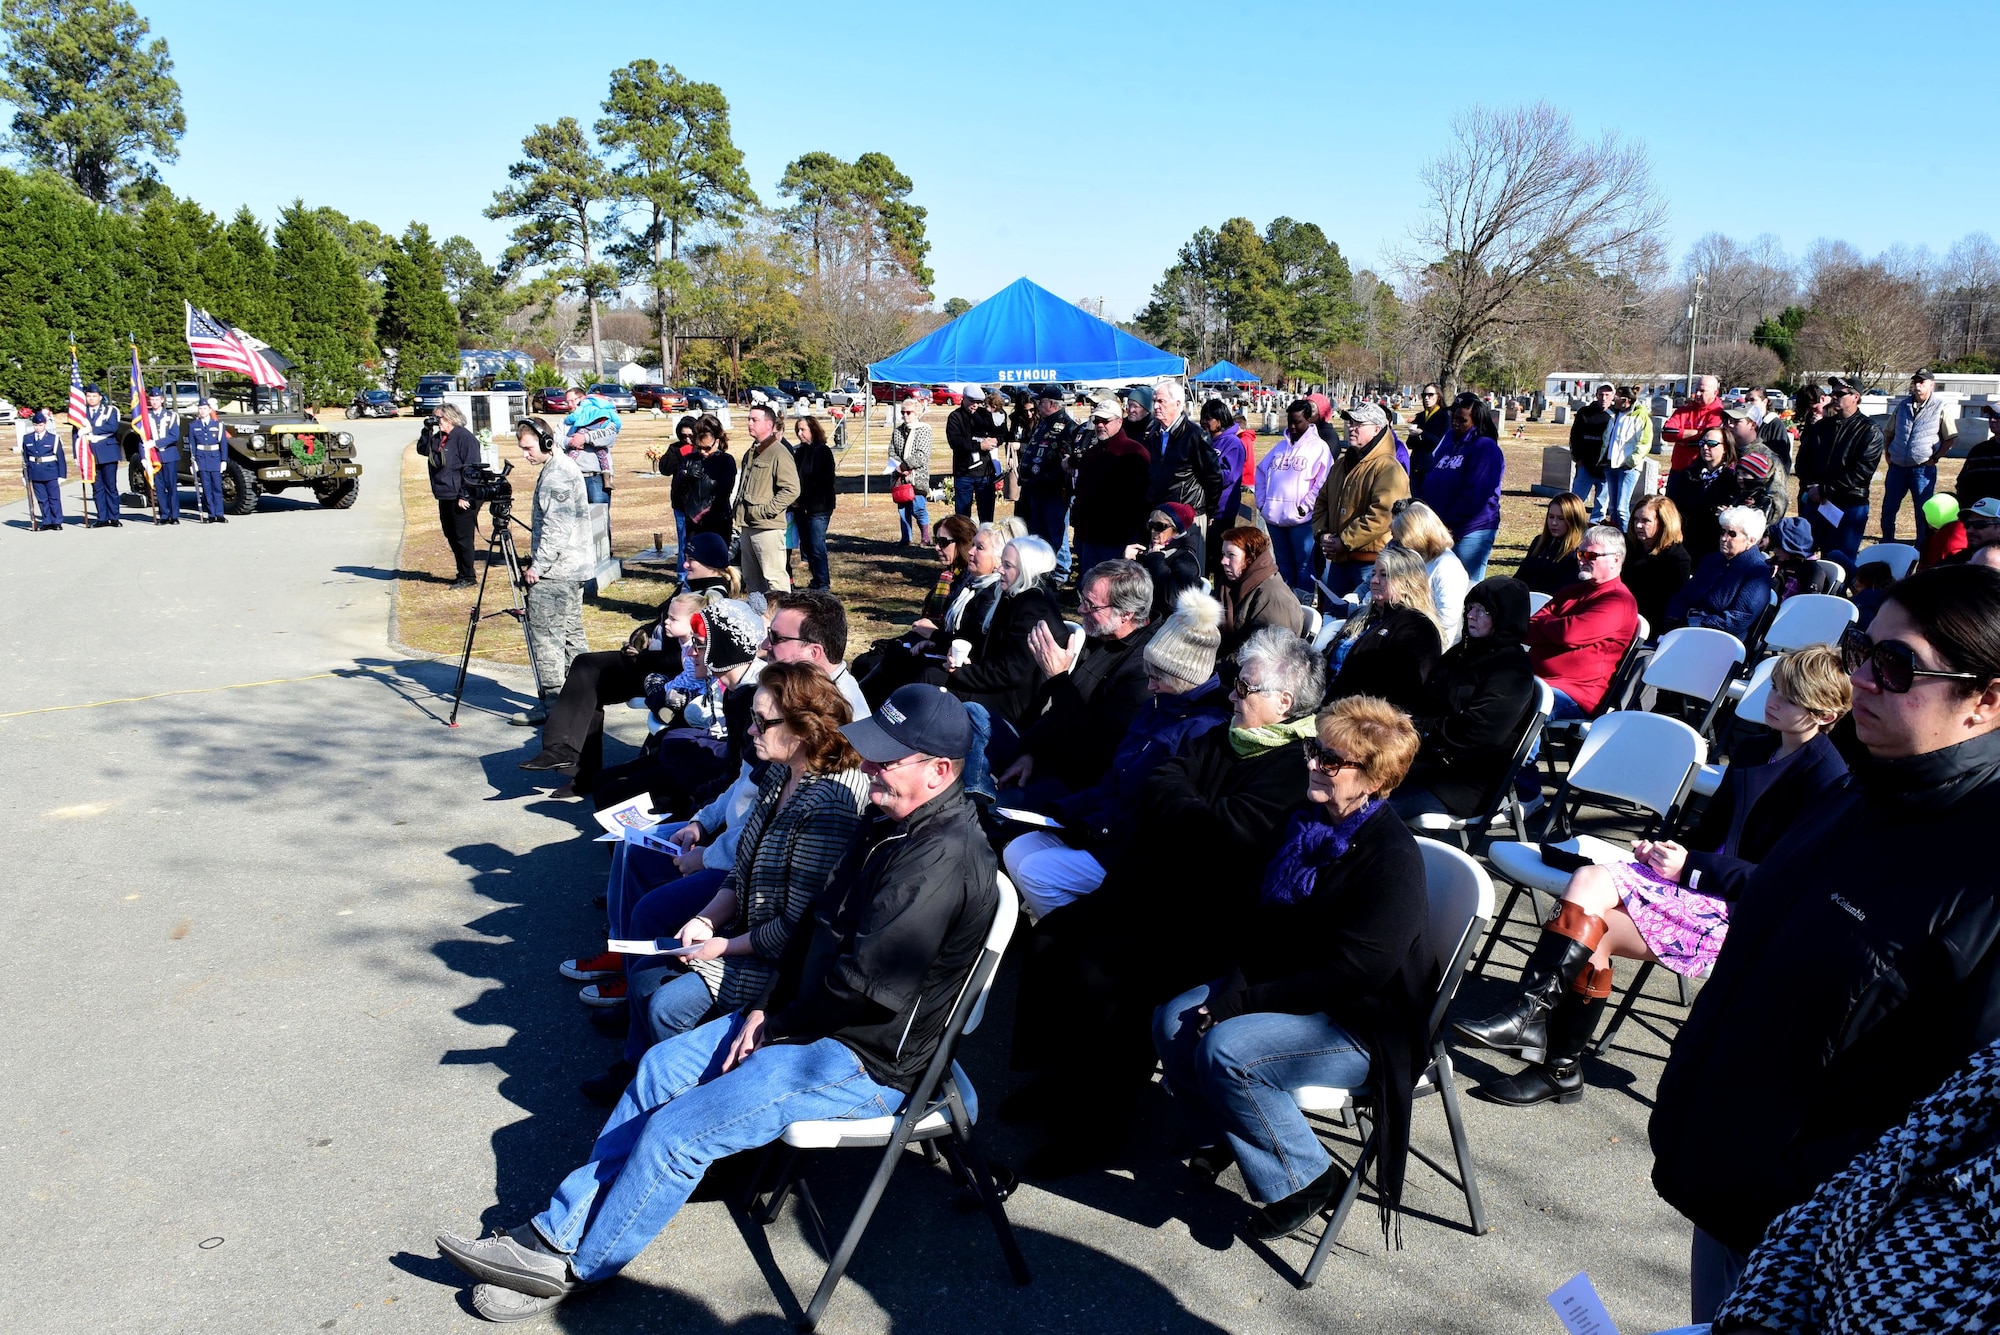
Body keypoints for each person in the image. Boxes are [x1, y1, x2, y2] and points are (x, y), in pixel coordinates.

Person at [436, 684, 997, 1323]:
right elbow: (817, 926)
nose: (869, 768)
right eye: (871, 756)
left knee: (678, 1135)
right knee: (657, 1070)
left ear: (940, 771)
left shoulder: (938, 860)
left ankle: (576, 1269)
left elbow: (863, 989)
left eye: (886, 761)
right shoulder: (888, 823)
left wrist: (775, 1022)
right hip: (809, 1021)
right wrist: (765, 1008)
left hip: (864, 1060)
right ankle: (555, 1234)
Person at [1651, 565, 2000, 1324]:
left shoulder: (1984, 872)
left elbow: (1956, 1116)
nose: (1861, 679)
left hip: (1816, 1237)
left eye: (1895, 665)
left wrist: (1796, 1195)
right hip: (1728, 1183)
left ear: (1987, 700)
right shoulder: (1857, 786)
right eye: (1859, 649)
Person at [1458, 645, 1851, 1109]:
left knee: (1590, 895)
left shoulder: (1828, 778)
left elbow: (1785, 879)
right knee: (1591, 908)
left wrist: (1693, 867)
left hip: (1739, 911)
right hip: (1691, 886)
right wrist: (1665, 850)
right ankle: (1551, 1055)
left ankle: (1534, 1027)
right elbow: (1709, 832)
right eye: (1775, 687)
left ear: (1824, 714)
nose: (1773, 699)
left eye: (1789, 697)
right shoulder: (1756, 746)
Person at [1007, 627, 1320, 1176]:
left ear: (1283, 703)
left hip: (1212, 917)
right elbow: (1163, 781)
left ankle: (1096, 1130)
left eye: (1243, 687)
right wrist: (1190, 806)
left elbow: (1226, 834)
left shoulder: (1294, 767)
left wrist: (1187, 807)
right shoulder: (1228, 734)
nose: (1230, 695)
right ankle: (1061, 1079)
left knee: (1111, 979)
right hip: (1153, 887)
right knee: (1052, 940)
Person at [1153, 695, 1431, 1239]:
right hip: (1291, 984)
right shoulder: (1305, 820)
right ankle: (1221, 1133)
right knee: (1171, 1020)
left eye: (1331, 761)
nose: (1311, 765)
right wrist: (1234, 984)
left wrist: (1243, 1002)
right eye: (1314, 750)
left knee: (1228, 1050)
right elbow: (1262, 920)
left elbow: (1356, 972)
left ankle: (1307, 1177)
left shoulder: (1389, 859)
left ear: (1371, 779)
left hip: (1362, 1022)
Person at [580, 661, 873, 1105]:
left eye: (761, 721)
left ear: (805, 728)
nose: (750, 731)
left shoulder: (828, 804)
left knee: (664, 1003)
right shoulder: (780, 772)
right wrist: (705, 918)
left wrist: (722, 946)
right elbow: (745, 867)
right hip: (751, 932)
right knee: (644, 973)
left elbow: (798, 928)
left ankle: (687, 1107)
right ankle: (645, 1080)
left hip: (783, 963)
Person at [1713, 1034, 2000, 1333]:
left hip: (1790, 1157)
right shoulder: (1990, 1070)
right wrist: (1760, 1314)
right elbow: (1850, 1185)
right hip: (1760, 1181)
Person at [1004, 589, 1229, 920]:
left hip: (1130, 847)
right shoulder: (1158, 705)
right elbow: (1115, 775)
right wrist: (1065, 812)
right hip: (1104, 824)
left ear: (1185, 677)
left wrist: (1097, 828)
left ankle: (1072, 941)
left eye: (1158, 677)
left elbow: (1154, 805)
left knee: (1037, 873)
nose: (1149, 685)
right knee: (1018, 849)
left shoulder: (1202, 728)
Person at [995, 558, 1158, 800]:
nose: (1081, 610)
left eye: (1091, 606)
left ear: (1126, 614)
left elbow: (1093, 747)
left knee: (993, 806)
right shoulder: (1102, 636)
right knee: (971, 714)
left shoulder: (1143, 667)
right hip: (1047, 756)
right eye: (1082, 600)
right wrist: (1029, 753)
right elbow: (1057, 715)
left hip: (1078, 786)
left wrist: (1057, 679)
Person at [1390, 576, 1538, 822]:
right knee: (1342, 784)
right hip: (1423, 761)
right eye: (1471, 608)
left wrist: (1418, 725)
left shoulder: (1512, 671)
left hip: (1460, 782)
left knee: (1363, 811)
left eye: (1483, 611)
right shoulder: (1463, 652)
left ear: (1505, 617)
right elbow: (1425, 698)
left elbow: (1479, 732)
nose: (1471, 615)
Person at [944, 534, 1066, 731]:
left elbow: (1011, 671)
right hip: (998, 686)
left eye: (1007, 566)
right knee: (928, 675)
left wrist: (962, 674)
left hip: (1011, 702)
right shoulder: (1014, 596)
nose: (999, 570)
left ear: (1026, 570)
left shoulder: (1034, 608)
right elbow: (992, 650)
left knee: (932, 686)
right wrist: (964, 660)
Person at [1526, 525, 1640, 720]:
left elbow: (1569, 635)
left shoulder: (1618, 601)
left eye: (1590, 555)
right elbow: (1527, 628)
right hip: (1534, 678)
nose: (1581, 560)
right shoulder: (1570, 592)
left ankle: (1524, 752)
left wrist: (1550, 628)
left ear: (1616, 559)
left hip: (1576, 693)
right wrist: (1559, 628)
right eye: (1580, 553)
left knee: (1521, 707)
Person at [517, 417, 592, 709]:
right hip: (570, 569)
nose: (525, 454)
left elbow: (556, 528)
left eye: (528, 448)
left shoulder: (557, 474)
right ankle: (584, 697)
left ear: (546, 442)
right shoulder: (557, 467)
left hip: (557, 572)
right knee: (573, 634)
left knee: (548, 636)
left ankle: (553, 702)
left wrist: (538, 567)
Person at [1324, 546, 1443, 714]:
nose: (1374, 580)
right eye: (1373, 574)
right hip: (1328, 705)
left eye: (1384, 575)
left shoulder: (1417, 628)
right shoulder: (1362, 615)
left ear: (1407, 582)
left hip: (1366, 719)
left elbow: (1400, 691)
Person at [1313, 402, 1409, 600]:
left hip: (1372, 565)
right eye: (1350, 422)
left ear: (1376, 429)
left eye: (1358, 423)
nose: (1351, 427)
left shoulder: (1389, 468)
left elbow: (1383, 514)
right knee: (1334, 618)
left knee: (1365, 618)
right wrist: (1323, 534)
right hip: (1339, 561)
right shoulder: (1342, 464)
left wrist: (1345, 541)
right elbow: (1321, 502)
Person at [1795, 376, 1883, 565]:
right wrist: (1811, 486)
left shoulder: (1870, 431)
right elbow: (1803, 460)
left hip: (1849, 505)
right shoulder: (1821, 427)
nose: (1833, 397)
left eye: (1840, 393)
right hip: (1816, 502)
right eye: (1832, 392)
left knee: (1839, 561)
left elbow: (1861, 472)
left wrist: (1824, 489)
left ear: (1856, 397)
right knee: (1800, 555)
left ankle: (1836, 594)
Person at [1255, 399, 1335, 602]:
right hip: (1274, 517)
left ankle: (1304, 605)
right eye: (1289, 421)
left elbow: (1323, 481)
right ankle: (1284, 604)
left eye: (1297, 422)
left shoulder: (1319, 448)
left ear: (1309, 420)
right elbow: (1261, 472)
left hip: (1302, 519)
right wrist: (1262, 502)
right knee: (1282, 563)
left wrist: (1305, 506)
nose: (1292, 426)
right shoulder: (1280, 447)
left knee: (1303, 564)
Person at [1418, 394, 1505, 580]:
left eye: (1462, 420)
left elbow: (1476, 494)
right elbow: (1432, 472)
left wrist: (1449, 522)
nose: (1455, 423)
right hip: (1440, 528)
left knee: (1466, 585)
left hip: (1470, 530)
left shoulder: (1485, 447)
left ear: (1476, 420)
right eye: (1453, 418)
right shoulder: (1449, 440)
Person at [1069, 394, 1152, 575]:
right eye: (1097, 420)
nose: (1100, 425)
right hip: (1088, 536)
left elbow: (1141, 499)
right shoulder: (1091, 454)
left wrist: (1134, 537)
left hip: (1118, 538)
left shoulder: (1135, 453)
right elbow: (1081, 492)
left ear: (1119, 422)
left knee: (1115, 590)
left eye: (1105, 421)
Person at [1665, 506, 1775, 641]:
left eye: (1732, 534)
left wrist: (1694, 623)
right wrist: (1674, 618)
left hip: (1720, 642)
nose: (1724, 538)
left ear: (1751, 540)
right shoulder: (1711, 561)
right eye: (1723, 532)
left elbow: (1738, 619)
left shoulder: (1757, 572)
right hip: (1683, 631)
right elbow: (1684, 595)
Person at [1882, 368, 1956, 545]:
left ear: (1932, 384)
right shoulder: (1903, 405)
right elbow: (1889, 431)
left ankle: (1922, 545)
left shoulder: (1941, 407)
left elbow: (1951, 437)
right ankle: (1886, 542)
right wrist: (1888, 452)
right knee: (1888, 509)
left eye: (1922, 382)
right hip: (1897, 467)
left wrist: (1935, 458)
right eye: (1915, 382)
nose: (1917, 386)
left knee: (1923, 510)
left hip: (1923, 468)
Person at [734, 404, 801, 595]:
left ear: (769, 424)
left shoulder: (779, 453)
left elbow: (792, 489)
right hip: (747, 524)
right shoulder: (751, 452)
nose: (749, 423)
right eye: (749, 419)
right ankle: (759, 620)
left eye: (754, 420)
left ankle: (783, 620)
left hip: (768, 527)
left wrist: (766, 510)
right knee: (751, 579)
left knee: (775, 579)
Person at [1668, 428, 1763, 559]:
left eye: (1712, 444)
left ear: (1725, 447)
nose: (1705, 447)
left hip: (1718, 546)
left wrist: (1730, 513)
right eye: (1702, 443)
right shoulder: (1688, 474)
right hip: (1688, 541)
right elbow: (1673, 505)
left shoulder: (1735, 478)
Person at [1018, 386, 1081, 581]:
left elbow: (1064, 462)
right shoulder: (1043, 423)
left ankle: (1060, 574)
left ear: (1052, 404)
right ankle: (1043, 570)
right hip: (1035, 489)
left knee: (1056, 534)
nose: (1037, 405)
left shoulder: (1067, 426)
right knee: (1038, 532)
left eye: (1041, 402)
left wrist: (1044, 478)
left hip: (1054, 491)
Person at [1390, 500, 1470, 649]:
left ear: (1415, 537)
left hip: (1432, 644)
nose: (1398, 544)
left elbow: (1447, 618)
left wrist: (1409, 631)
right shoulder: (1415, 559)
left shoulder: (1447, 566)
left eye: (1401, 540)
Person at [416, 402, 481, 584]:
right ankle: (461, 573)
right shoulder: (439, 437)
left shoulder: (464, 438)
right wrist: (426, 430)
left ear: (450, 417)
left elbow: (472, 469)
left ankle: (468, 576)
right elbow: (422, 449)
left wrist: (465, 495)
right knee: (450, 534)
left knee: (463, 538)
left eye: (439, 418)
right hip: (444, 494)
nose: (437, 422)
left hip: (460, 496)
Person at [1145, 379, 1224, 526]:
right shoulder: (1154, 433)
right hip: (1159, 512)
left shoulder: (1195, 435)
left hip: (1187, 515)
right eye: (1154, 401)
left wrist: (1209, 511)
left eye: (1161, 401)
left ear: (1177, 404)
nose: (1156, 406)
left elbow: (1213, 477)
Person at [1216, 526, 1305, 656]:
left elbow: (1266, 656)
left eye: (1231, 555)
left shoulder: (1274, 598)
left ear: (1251, 557)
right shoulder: (1229, 586)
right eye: (1224, 554)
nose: (1223, 561)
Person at [1624, 495, 1690, 634]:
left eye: (1645, 521)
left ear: (1664, 523)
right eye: (1635, 519)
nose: (1638, 525)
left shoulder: (1677, 558)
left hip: (1651, 625)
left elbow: (1669, 602)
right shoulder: (1628, 546)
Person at [1128, 501, 1204, 619]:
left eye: (1159, 526)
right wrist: (1126, 561)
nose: (1153, 531)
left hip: (1163, 624)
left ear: (1176, 530)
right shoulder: (1149, 550)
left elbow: (1172, 602)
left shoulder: (1185, 558)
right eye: (1150, 525)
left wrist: (1156, 561)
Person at [1201, 398, 1249, 572]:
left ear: (1220, 420)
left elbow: (1229, 475)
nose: (1203, 422)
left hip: (1221, 509)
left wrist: (1204, 473)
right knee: (1204, 555)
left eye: (1208, 418)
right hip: (1203, 506)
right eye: (1202, 418)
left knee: (1218, 556)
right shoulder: (1206, 439)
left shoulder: (1233, 443)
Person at [945, 388, 1008, 521]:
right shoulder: (955, 417)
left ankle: (984, 541)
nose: (975, 405)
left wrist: (996, 440)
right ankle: (964, 541)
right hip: (964, 473)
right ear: (964, 398)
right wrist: (979, 446)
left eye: (978, 402)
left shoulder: (985, 414)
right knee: (962, 517)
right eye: (971, 401)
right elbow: (956, 442)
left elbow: (1002, 432)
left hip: (985, 473)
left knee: (986, 516)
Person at [673, 415, 737, 546]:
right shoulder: (689, 460)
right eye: (699, 447)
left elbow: (723, 493)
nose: (703, 452)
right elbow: (678, 491)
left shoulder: (725, 461)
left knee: (715, 563)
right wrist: (684, 476)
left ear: (717, 441)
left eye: (707, 448)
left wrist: (702, 513)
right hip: (693, 523)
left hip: (717, 521)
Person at [790, 414, 836, 589]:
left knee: (817, 546)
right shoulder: (800, 452)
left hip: (819, 506)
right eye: (798, 430)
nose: (800, 433)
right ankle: (816, 579)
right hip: (802, 507)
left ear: (813, 430)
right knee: (808, 546)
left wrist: (802, 500)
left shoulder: (822, 451)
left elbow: (822, 481)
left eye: (803, 429)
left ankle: (823, 582)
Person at [1514, 493, 1588, 594]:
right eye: (1551, 517)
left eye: (1561, 518)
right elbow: (1520, 578)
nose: (1554, 523)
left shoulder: (1579, 552)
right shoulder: (1539, 542)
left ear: (1574, 521)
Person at [885, 396, 934, 549]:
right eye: (903, 412)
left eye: (909, 412)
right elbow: (892, 451)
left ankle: (925, 537)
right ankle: (906, 538)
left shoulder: (924, 430)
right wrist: (899, 468)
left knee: (918, 507)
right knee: (902, 508)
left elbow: (922, 454)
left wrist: (906, 467)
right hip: (900, 477)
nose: (905, 415)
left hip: (917, 476)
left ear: (917, 413)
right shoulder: (898, 431)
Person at [1568, 383, 1616, 523]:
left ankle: (1595, 527)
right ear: (1596, 395)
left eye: (1607, 395)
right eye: (1601, 394)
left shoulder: (1615, 414)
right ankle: (1572, 525)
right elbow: (1575, 436)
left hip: (1606, 467)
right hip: (1586, 464)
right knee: (1575, 501)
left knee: (1601, 505)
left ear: (1613, 396)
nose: (1604, 398)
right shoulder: (1585, 412)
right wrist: (1578, 459)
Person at [1659, 374, 1724, 477]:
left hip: (1701, 470)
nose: (1697, 394)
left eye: (1702, 391)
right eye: (1696, 389)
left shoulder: (1718, 413)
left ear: (1715, 393)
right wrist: (1696, 433)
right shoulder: (1683, 410)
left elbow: (1706, 440)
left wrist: (1681, 440)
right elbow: (1667, 433)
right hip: (1678, 468)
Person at [77, 383, 122, 528]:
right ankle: (102, 517)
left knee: (111, 486)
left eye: (94, 396)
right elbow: (75, 435)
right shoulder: (81, 413)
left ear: (100, 397)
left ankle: (114, 517)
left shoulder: (110, 411)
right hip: (90, 454)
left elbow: (112, 427)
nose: (91, 398)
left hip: (108, 452)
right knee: (97, 488)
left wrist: (91, 429)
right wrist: (77, 455)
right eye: (88, 396)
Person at [1766, 515, 1838, 603]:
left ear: (1793, 546)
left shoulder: (1813, 573)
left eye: (1779, 547)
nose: (1775, 551)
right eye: (1774, 545)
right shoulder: (1775, 562)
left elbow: (1805, 607)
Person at [21, 409, 66, 531]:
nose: (38, 428)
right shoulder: (27, 438)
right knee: (42, 499)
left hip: (51, 471)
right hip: (35, 471)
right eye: (35, 425)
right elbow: (25, 459)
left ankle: (57, 521)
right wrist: (24, 476)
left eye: (40, 425)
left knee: (54, 498)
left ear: (45, 424)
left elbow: (60, 458)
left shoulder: (53, 438)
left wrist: (62, 475)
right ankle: (46, 521)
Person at [188, 399, 228, 522]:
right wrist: (193, 461)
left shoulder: (218, 425)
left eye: (205, 408)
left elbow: (223, 444)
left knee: (217, 487)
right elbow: (192, 445)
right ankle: (211, 514)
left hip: (215, 458)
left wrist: (223, 460)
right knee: (206, 488)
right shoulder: (193, 426)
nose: (202, 411)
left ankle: (219, 514)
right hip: (201, 459)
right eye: (200, 408)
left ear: (210, 410)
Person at [147, 397, 182, 523]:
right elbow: (142, 437)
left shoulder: (171, 416)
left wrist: (155, 443)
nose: (154, 402)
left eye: (157, 399)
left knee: (171, 486)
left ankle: (174, 515)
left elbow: (174, 436)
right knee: (159, 487)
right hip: (154, 457)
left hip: (169, 455)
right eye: (152, 400)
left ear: (162, 400)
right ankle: (164, 515)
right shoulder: (146, 417)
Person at [1409, 382, 1450, 488]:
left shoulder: (1444, 417)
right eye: (1424, 395)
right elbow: (1409, 444)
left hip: (1433, 464)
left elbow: (1442, 442)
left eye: (1430, 395)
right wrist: (1414, 434)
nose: (1426, 398)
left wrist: (1422, 433)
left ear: (1438, 397)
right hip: (1416, 464)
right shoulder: (1420, 416)